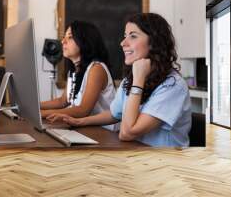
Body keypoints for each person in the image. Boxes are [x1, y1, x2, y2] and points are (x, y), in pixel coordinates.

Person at [46, 13, 192, 147]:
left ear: (154, 42)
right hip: (135, 154)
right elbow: (114, 113)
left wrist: (138, 81)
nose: (123, 43)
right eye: (125, 36)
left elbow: (127, 133)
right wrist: (80, 121)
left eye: (133, 36)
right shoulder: (132, 78)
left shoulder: (172, 85)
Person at [40, 20, 115, 120]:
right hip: (85, 128)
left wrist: (41, 114)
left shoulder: (96, 69)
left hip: (104, 132)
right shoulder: (74, 70)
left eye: (70, 37)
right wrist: (33, 107)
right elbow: (62, 101)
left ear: (85, 41)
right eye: (64, 37)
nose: (63, 41)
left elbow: (83, 110)